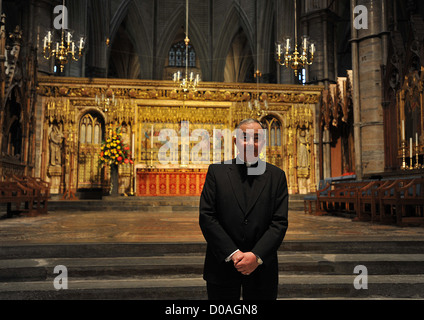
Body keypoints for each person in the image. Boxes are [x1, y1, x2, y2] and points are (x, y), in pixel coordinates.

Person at [199, 118, 289, 300]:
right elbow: (207, 216)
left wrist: (256, 256)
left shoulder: (276, 176)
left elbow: (279, 222)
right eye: (244, 138)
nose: (250, 143)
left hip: (262, 267)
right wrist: (233, 254)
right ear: (235, 141)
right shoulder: (217, 172)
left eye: (256, 138)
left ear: (263, 142)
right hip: (222, 265)